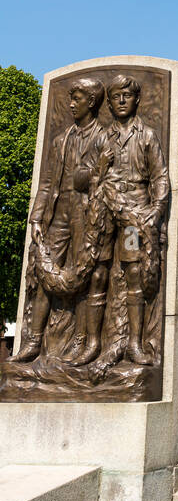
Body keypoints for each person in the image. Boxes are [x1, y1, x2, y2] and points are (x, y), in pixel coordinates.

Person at [75, 75, 170, 366]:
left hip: (132, 215)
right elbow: (81, 176)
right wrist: (98, 169)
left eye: (127, 96)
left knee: (133, 272)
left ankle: (134, 344)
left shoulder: (147, 135)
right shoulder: (102, 136)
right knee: (98, 272)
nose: (121, 102)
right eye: (116, 97)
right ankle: (93, 343)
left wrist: (156, 209)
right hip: (103, 212)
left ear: (136, 99)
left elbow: (160, 176)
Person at [15, 77, 108, 362]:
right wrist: (36, 218)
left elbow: (106, 178)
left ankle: (82, 341)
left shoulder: (103, 137)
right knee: (45, 275)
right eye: (69, 98)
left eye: (76, 99)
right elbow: (45, 184)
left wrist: (89, 176)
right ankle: (33, 341)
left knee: (84, 275)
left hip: (86, 214)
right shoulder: (60, 140)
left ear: (90, 102)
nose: (70, 104)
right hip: (59, 214)